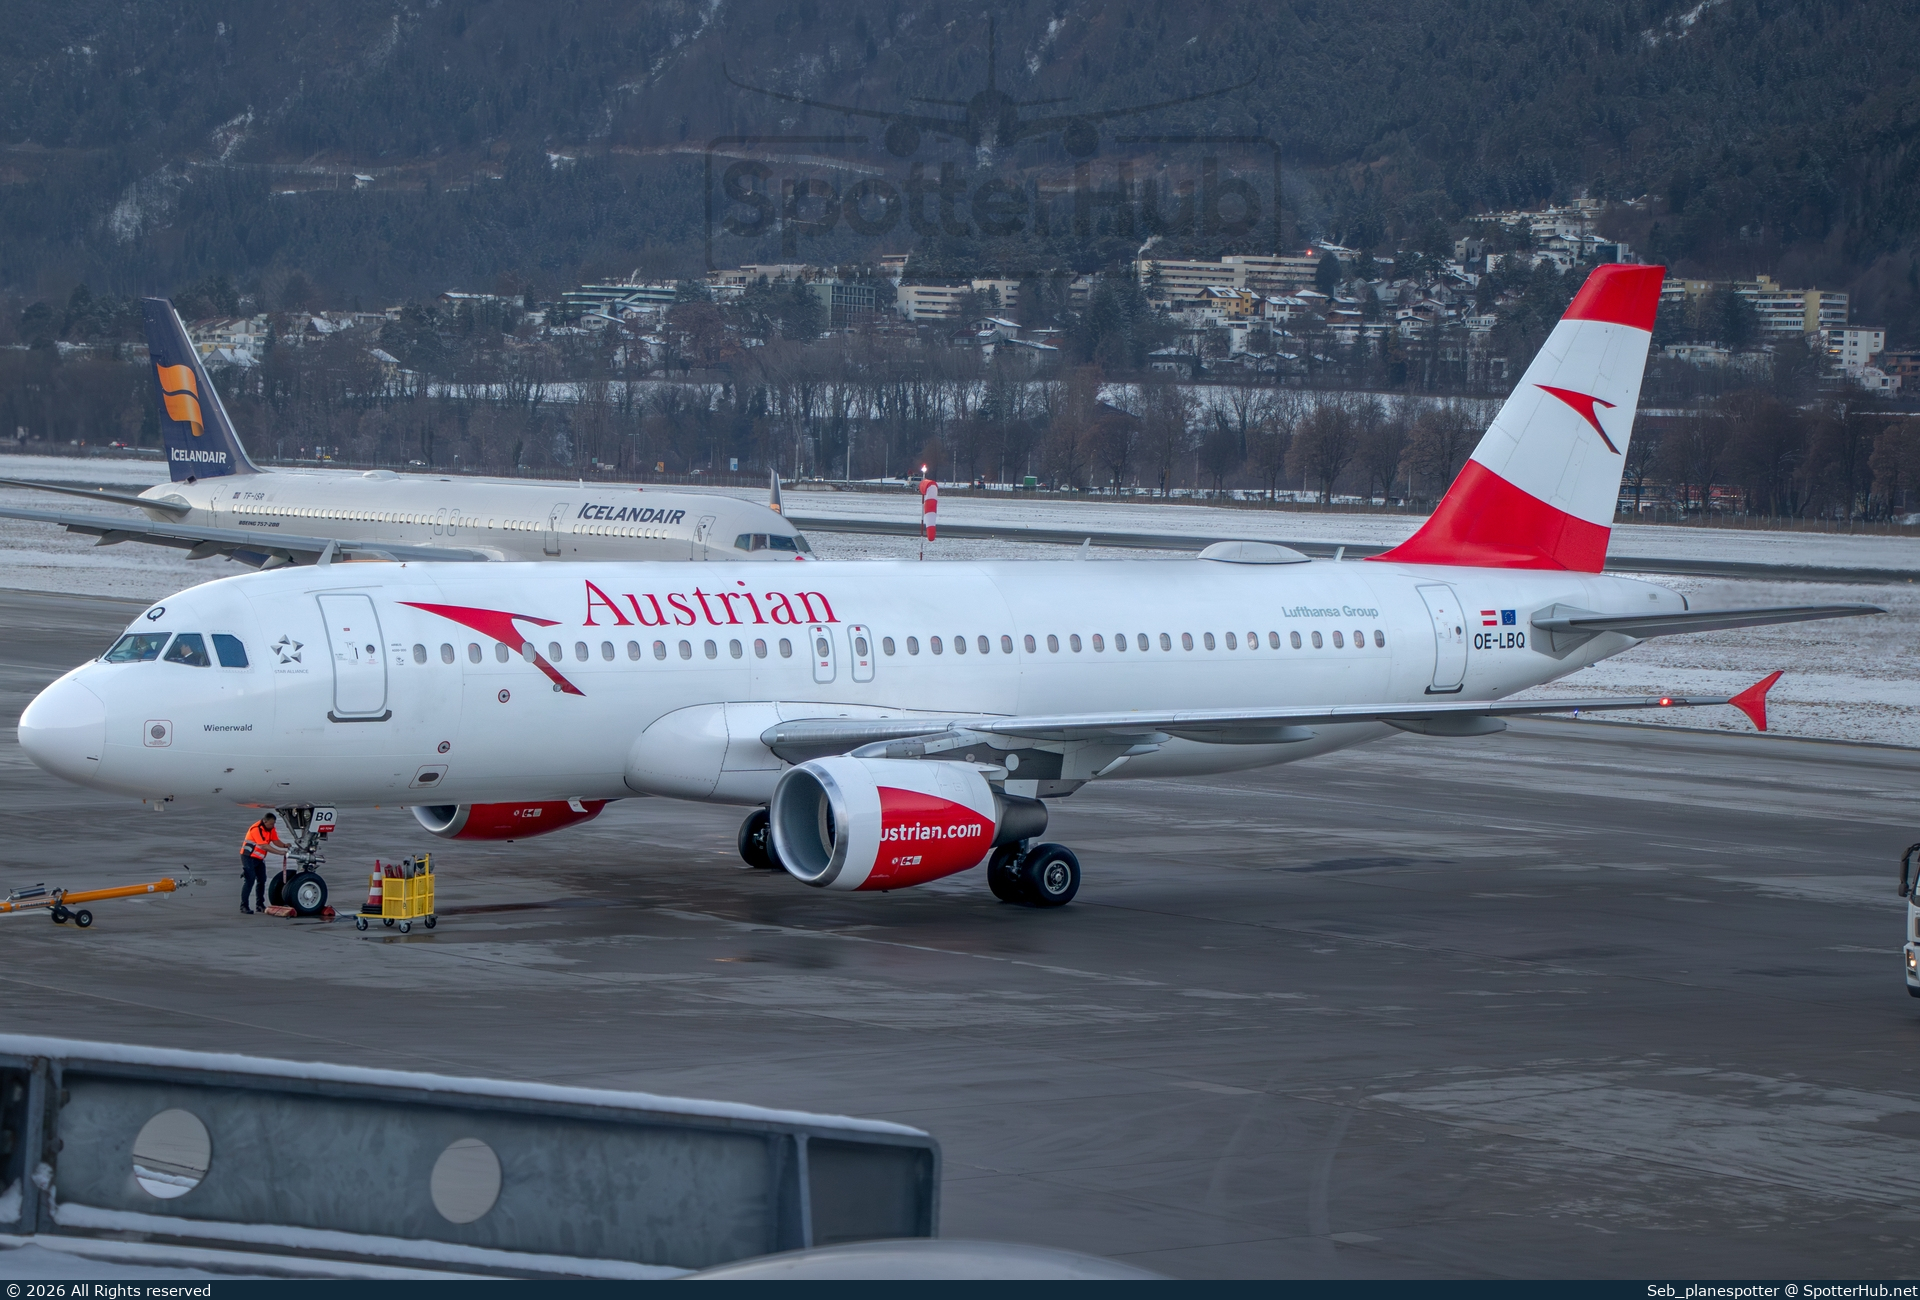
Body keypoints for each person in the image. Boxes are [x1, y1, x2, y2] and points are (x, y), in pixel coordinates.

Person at [239, 812, 288, 914]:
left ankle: (260, 905)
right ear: (265, 821)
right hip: (248, 857)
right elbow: (264, 846)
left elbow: (275, 840)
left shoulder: (271, 828)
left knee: (262, 880)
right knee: (250, 880)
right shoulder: (256, 829)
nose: (273, 826)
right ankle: (244, 906)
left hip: (259, 858)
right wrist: (280, 852)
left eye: (274, 824)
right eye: (271, 824)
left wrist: (284, 845)